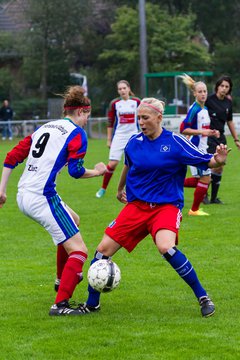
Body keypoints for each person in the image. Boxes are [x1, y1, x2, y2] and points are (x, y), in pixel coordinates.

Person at [81, 97, 230, 318]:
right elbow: (128, 166)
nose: (141, 121)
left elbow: (207, 161)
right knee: (102, 251)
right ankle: (91, 304)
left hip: (166, 207)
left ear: (159, 118)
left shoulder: (176, 143)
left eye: (145, 117)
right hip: (137, 206)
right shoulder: (134, 142)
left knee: (165, 247)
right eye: (139, 117)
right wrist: (119, 188)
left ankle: (203, 297)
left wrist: (218, 160)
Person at [0, 86, 106, 316]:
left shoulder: (45, 127)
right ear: (80, 111)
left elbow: (12, 157)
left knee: (73, 220)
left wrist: (2, 190)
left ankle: (61, 280)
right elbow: (76, 172)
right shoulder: (77, 134)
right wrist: (98, 172)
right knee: (79, 251)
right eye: (87, 114)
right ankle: (60, 304)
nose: (87, 119)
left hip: (23, 194)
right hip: (42, 197)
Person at [180, 74, 220, 216]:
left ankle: (172, 181)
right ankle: (194, 210)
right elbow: (183, 129)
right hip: (195, 149)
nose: (203, 94)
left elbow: (202, 130)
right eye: (200, 91)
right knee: (206, 178)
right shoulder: (194, 109)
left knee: (202, 180)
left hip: (202, 148)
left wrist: (212, 132)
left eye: (205, 91)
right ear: (194, 93)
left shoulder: (204, 109)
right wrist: (202, 131)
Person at [96, 80, 140, 198]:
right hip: (119, 136)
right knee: (113, 163)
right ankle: (103, 188)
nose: (122, 91)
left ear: (129, 89)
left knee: (134, 163)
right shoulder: (115, 103)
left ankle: (132, 189)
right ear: (118, 91)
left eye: (124, 88)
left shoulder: (137, 102)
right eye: (120, 89)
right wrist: (109, 139)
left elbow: (142, 118)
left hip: (133, 136)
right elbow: (110, 122)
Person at [204, 75, 240, 204]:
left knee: (220, 168)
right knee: (210, 166)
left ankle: (213, 198)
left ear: (229, 89)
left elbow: (229, 121)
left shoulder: (228, 102)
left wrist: (236, 139)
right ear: (217, 86)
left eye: (227, 87)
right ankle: (204, 195)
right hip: (209, 138)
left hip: (221, 138)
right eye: (222, 86)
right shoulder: (208, 100)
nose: (224, 89)